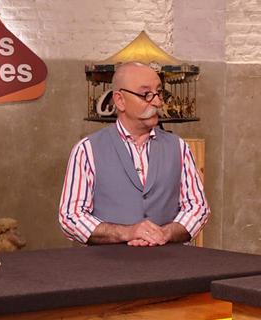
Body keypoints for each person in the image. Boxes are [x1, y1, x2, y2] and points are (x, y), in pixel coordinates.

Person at [59, 61, 209, 246]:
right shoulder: (86, 150)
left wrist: (165, 233)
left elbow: (198, 207)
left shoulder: (179, 147)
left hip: (169, 260)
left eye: (159, 93)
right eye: (146, 94)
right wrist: (126, 233)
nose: (157, 102)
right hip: (107, 262)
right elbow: (71, 216)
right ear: (120, 100)